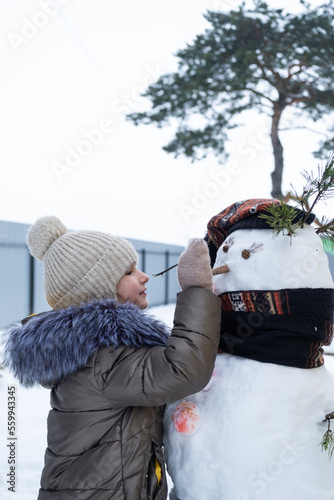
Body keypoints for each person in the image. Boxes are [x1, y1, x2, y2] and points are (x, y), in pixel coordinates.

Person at [2, 215, 221, 500]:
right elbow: (183, 369)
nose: (143, 276)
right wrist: (196, 291)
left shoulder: (94, 352)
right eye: (129, 272)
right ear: (100, 290)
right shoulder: (102, 361)